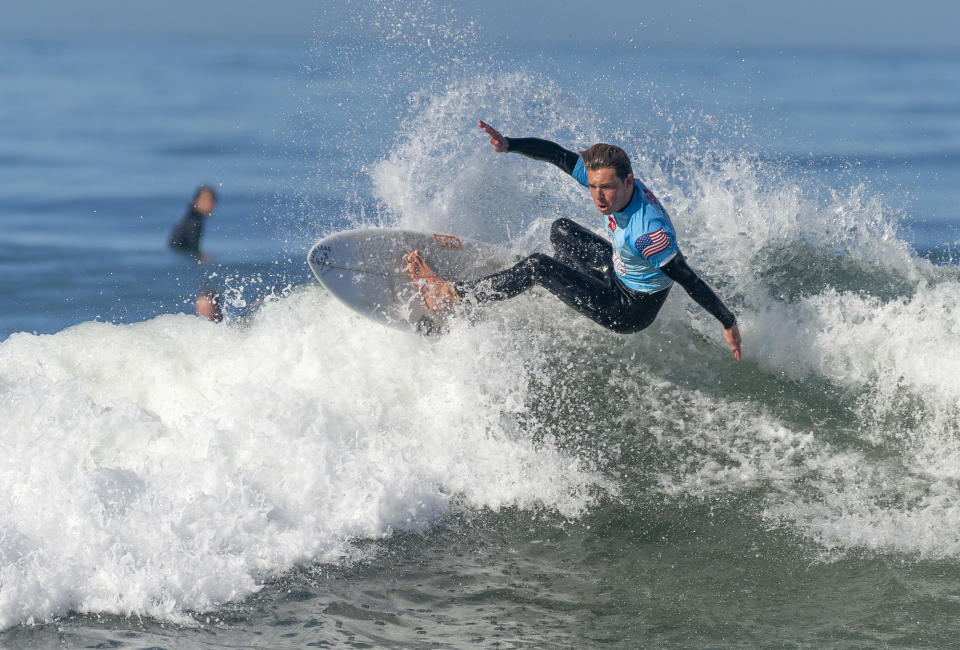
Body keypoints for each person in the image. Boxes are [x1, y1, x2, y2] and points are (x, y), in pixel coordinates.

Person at [406, 120, 742, 361]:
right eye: (593, 186)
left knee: (538, 266)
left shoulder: (648, 233)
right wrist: (510, 144)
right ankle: (551, 281)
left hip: (627, 310)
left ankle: (450, 295)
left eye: (606, 188)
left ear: (628, 181)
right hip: (619, 272)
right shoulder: (613, 185)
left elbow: (688, 278)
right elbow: (558, 155)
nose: (598, 197)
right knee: (561, 230)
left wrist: (727, 321)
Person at [169, 185, 217, 262]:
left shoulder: (190, 219)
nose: (209, 205)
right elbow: (192, 249)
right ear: (195, 201)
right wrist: (201, 257)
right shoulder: (193, 223)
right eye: (205, 201)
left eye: (212, 201)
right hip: (180, 260)